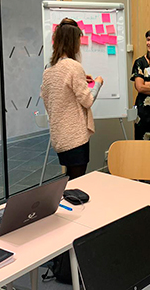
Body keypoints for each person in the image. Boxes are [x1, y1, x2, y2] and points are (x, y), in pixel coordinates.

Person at [41, 18, 103, 179]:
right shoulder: (74, 67)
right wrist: (98, 83)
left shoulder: (49, 69)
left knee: (69, 178)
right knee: (78, 180)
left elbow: (51, 98)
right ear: (72, 42)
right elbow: (87, 100)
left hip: (59, 136)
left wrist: (82, 79)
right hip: (75, 137)